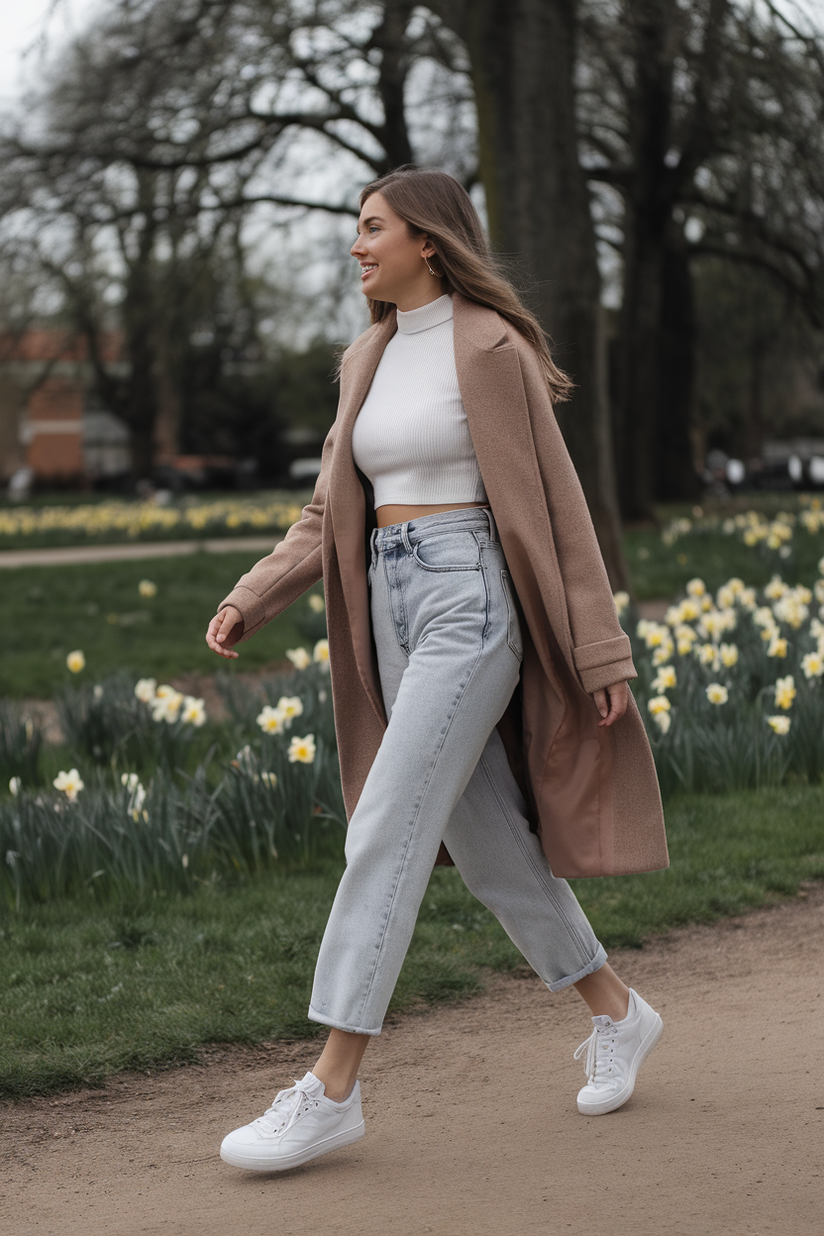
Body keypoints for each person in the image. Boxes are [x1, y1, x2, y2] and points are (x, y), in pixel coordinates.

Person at [206, 167, 668, 1174]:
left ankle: (329, 1085)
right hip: (389, 604)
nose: (356, 244)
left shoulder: (490, 348)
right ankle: (617, 1012)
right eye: (356, 228)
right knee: (488, 836)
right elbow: (331, 508)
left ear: (427, 240)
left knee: (383, 825)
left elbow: (558, 505)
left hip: (470, 604)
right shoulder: (367, 355)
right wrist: (255, 592)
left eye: (372, 228)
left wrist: (598, 648)